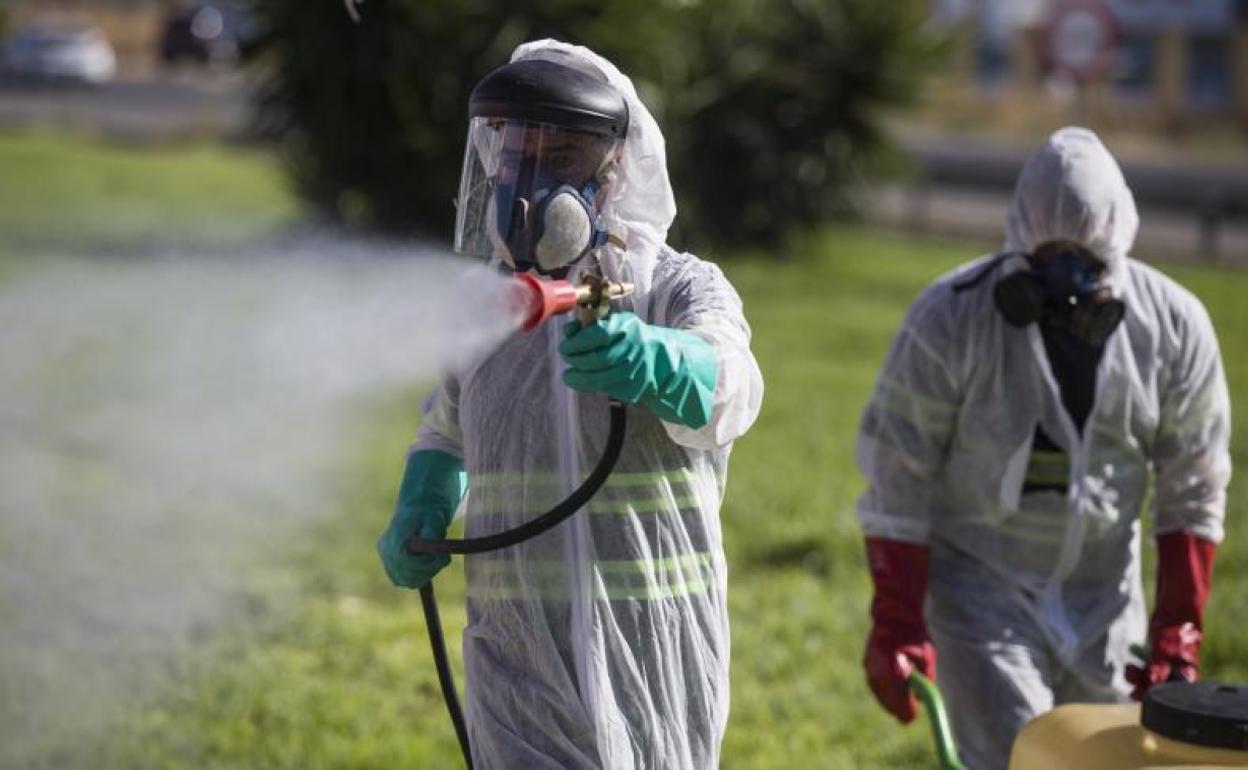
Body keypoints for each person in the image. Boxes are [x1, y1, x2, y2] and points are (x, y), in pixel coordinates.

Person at [375, 40, 764, 770]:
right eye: (513, 152)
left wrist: (660, 361)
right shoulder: (483, 306)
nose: (524, 182)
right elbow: (447, 426)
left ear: (615, 168)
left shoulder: (677, 288)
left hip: (652, 644)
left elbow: (733, 387)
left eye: (559, 159)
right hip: (515, 653)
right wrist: (423, 500)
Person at [854, 127, 1230, 770]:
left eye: (1087, 260)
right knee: (1018, 754)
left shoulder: (1173, 327)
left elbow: (1192, 486)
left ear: (1118, 253)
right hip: (982, 593)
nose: (1067, 280)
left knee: (1108, 760)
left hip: (1106, 598)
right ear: (1020, 243)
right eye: (1050, 254)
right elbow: (898, 474)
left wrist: (1177, 630)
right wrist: (898, 621)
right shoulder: (951, 319)